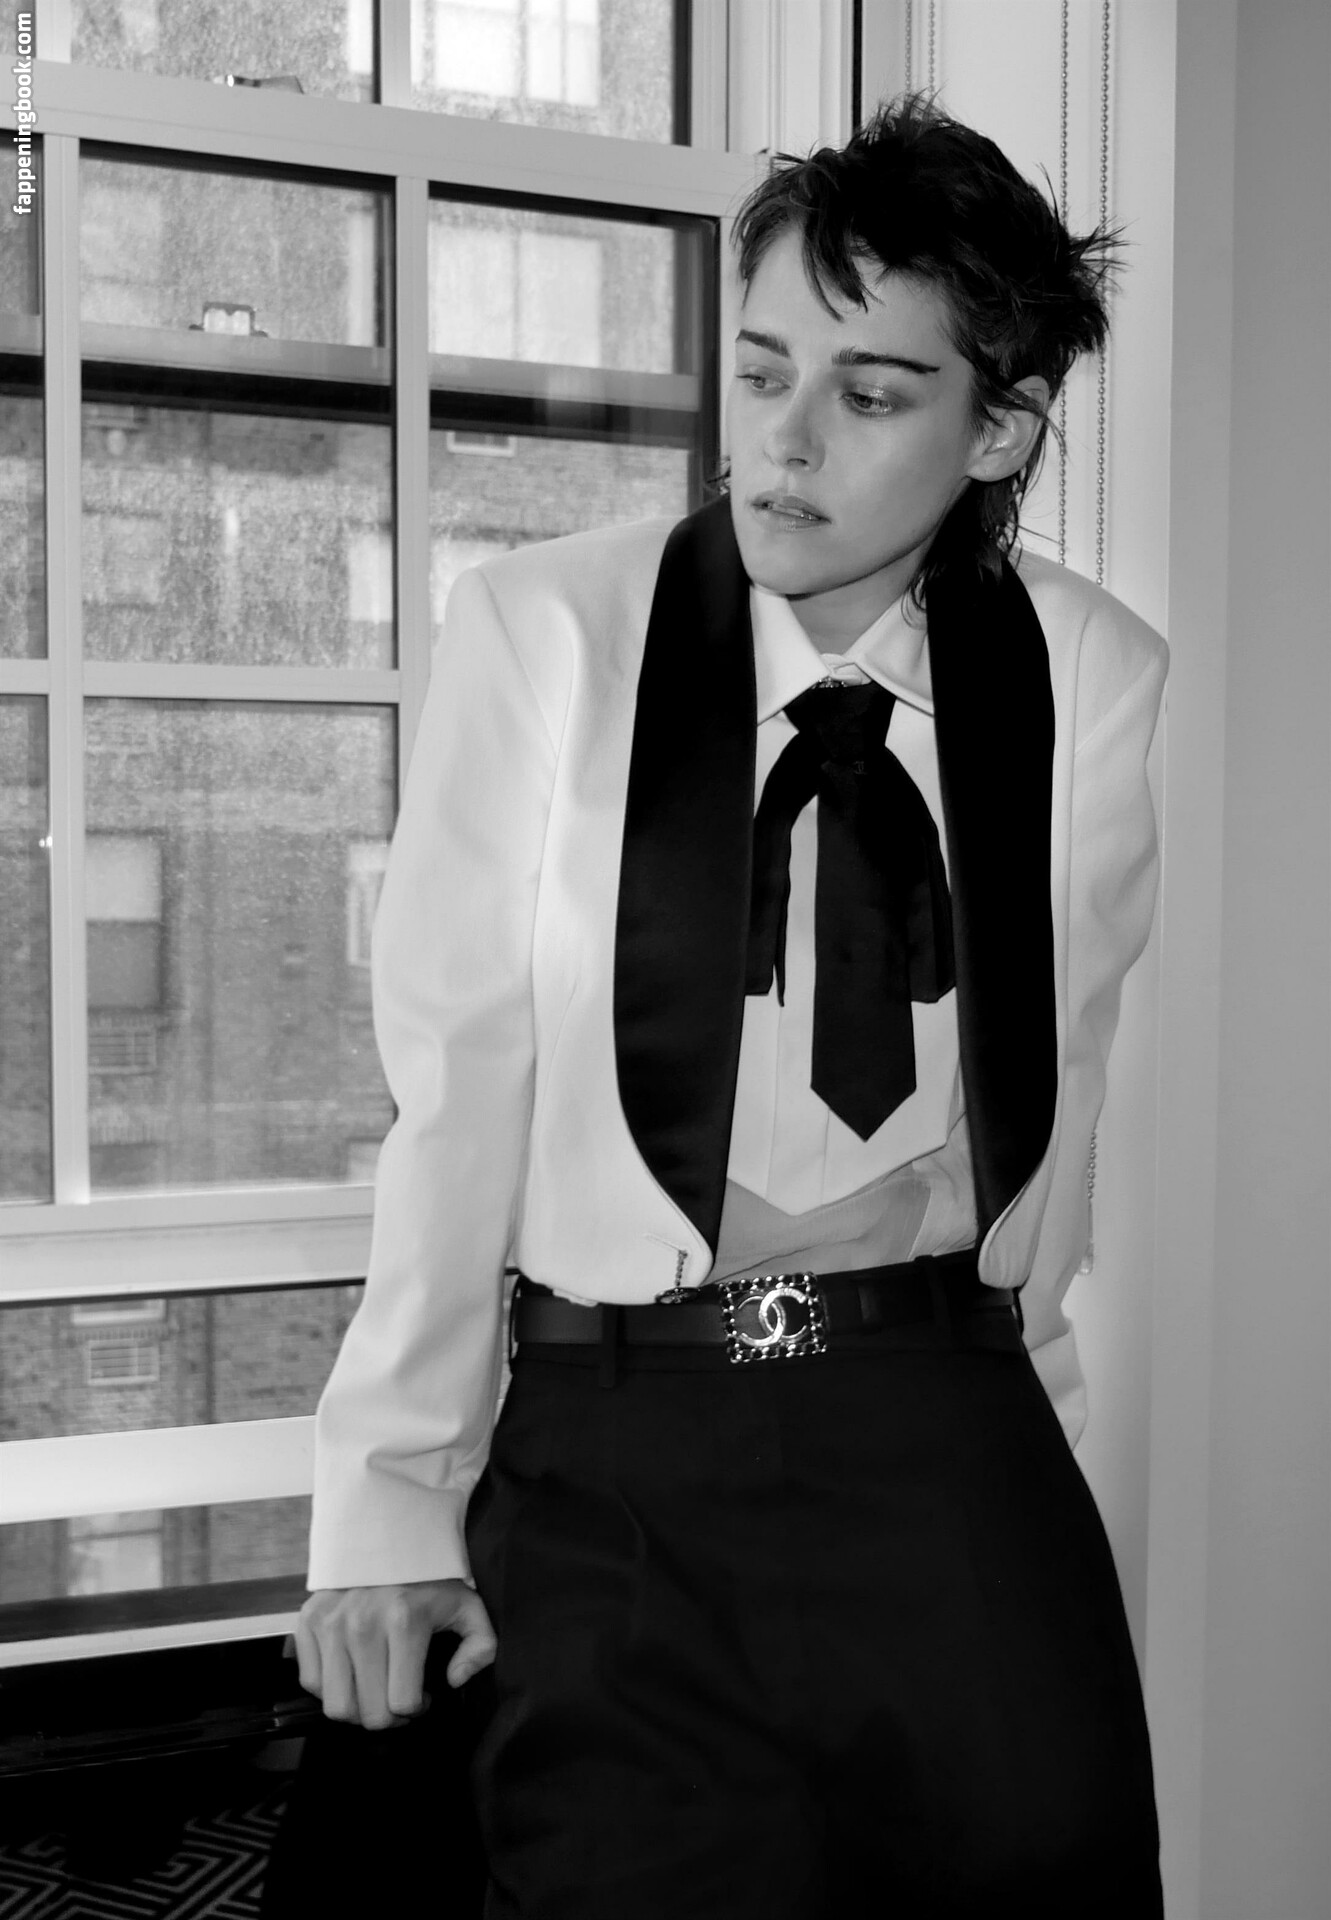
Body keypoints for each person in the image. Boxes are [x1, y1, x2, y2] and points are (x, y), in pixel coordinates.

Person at [296, 93, 1167, 1918]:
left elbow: (1059, 1088)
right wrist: (388, 1500)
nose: (785, 440)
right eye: (764, 369)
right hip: (622, 1447)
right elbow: (457, 1089)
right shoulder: (546, 632)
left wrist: (1033, 1436)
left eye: (872, 394)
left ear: (999, 425)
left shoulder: (1089, 669)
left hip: (946, 1425)